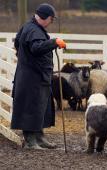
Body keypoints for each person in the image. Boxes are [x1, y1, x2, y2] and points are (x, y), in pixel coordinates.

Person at [11, 3, 66, 149]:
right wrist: (54, 42)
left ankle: (40, 138)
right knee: (31, 107)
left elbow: (17, 42)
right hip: (32, 77)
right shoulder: (33, 30)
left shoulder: (30, 27)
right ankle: (30, 141)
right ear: (44, 17)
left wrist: (23, 55)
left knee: (41, 107)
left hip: (36, 75)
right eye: (51, 19)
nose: (52, 22)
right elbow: (36, 48)